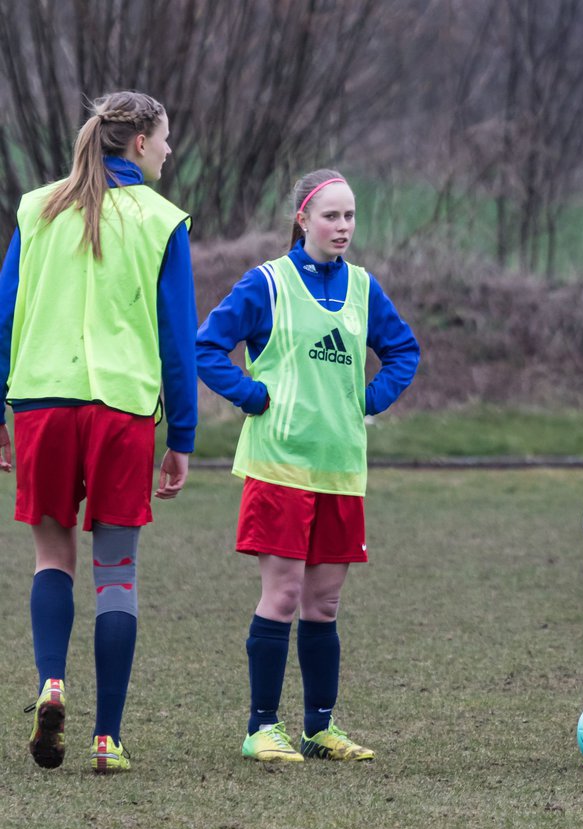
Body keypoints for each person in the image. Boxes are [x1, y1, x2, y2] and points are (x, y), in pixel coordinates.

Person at [0, 91, 196, 774]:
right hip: (120, 412)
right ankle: (106, 739)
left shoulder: (38, 207)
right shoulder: (163, 220)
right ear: (139, 142)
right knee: (117, 576)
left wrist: (1, 409)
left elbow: (5, 318)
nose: (171, 150)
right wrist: (184, 435)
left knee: (52, 561)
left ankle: (51, 681)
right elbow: (177, 339)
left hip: (42, 407)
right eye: (167, 138)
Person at [196, 169, 419, 763]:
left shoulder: (365, 288)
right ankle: (261, 728)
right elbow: (207, 347)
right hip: (279, 467)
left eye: (350, 216)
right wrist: (250, 396)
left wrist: (367, 399)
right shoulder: (266, 283)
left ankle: (319, 728)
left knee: (324, 605)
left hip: (341, 469)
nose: (343, 226)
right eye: (331, 216)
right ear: (302, 219)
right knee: (284, 594)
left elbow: (403, 350)